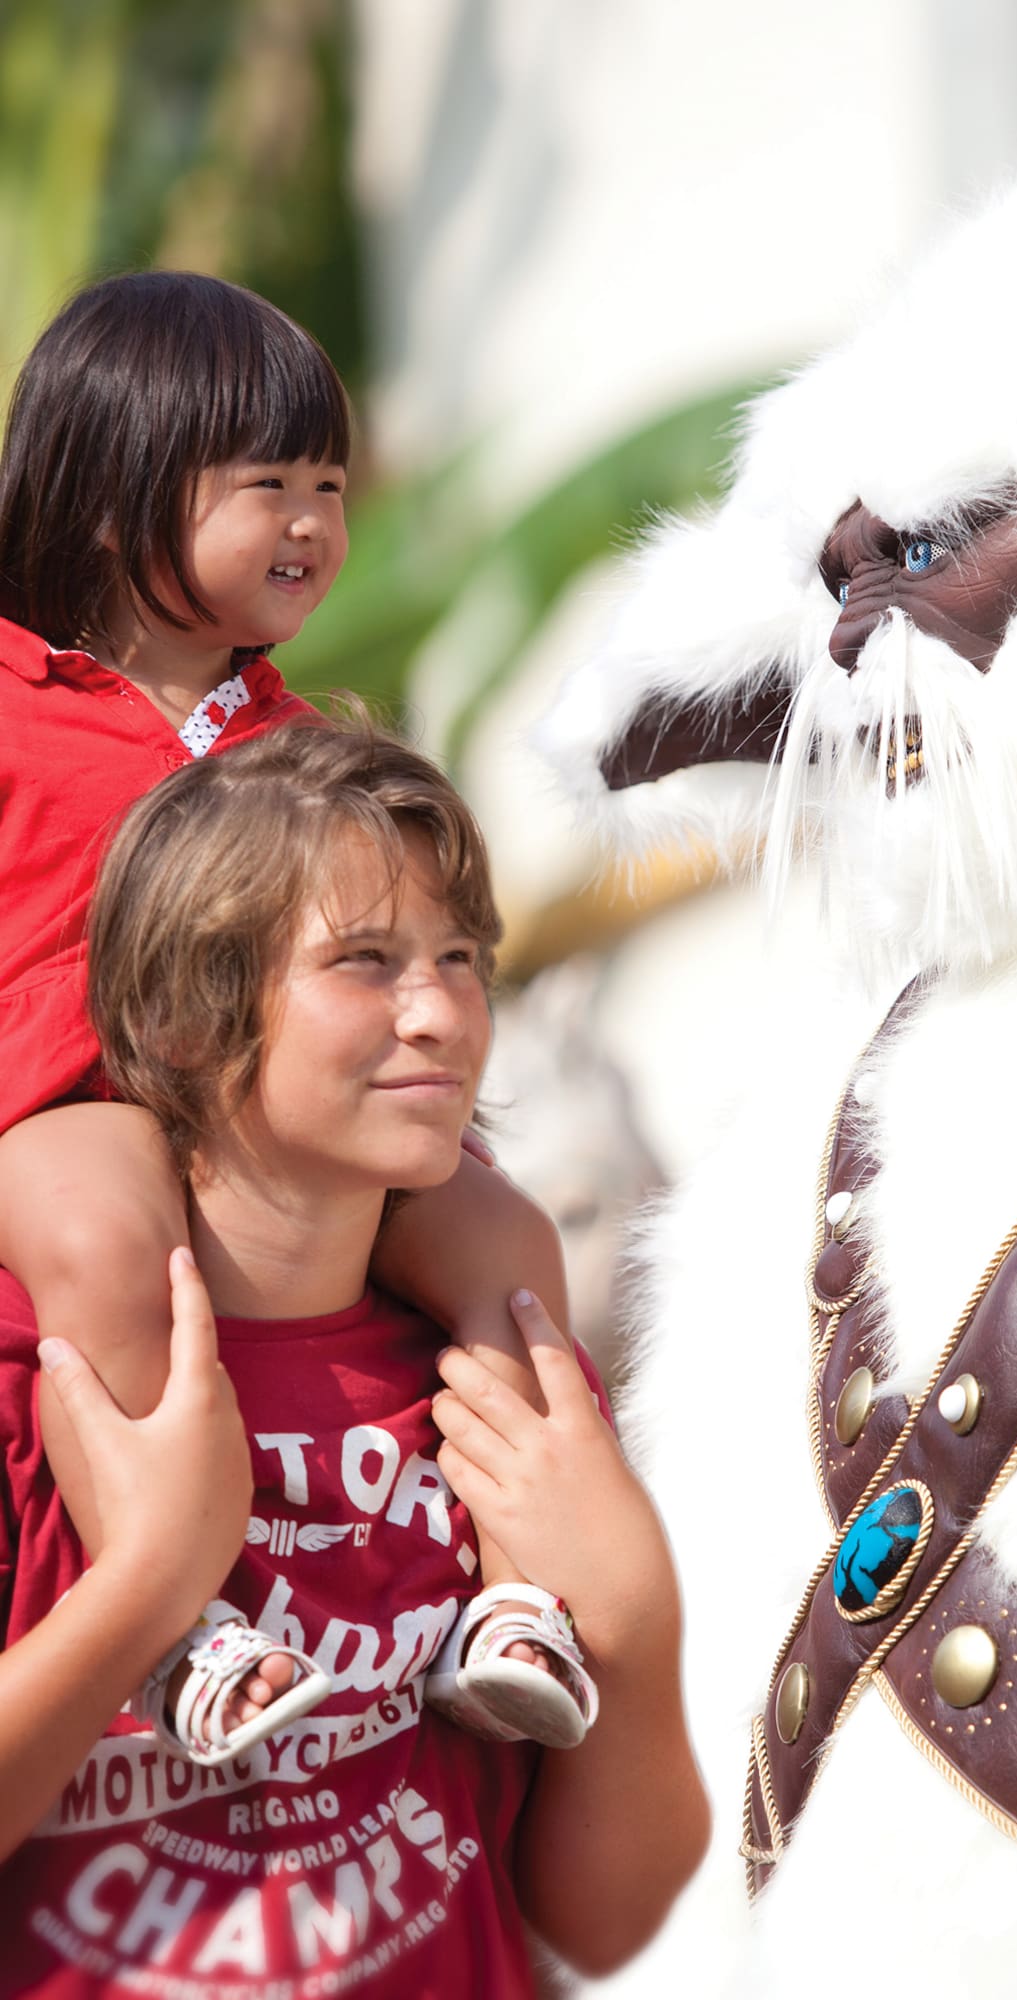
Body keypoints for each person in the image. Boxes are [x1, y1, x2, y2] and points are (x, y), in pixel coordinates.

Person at [0, 719, 709, 1993]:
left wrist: (636, 1623)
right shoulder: (32, 1378)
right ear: (175, 1021)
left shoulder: (490, 1378)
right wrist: (149, 1581)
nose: (440, 1011)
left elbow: (605, 1919)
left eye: (457, 956)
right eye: (364, 962)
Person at [0, 270, 597, 1758]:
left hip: (277, 1105)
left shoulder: (300, 741)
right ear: (104, 499)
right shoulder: (10, 708)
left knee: (506, 1240)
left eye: (328, 483)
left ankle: (519, 1597)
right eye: (265, 485)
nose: (314, 523)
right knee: (96, 1235)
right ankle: (177, 1617)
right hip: (69, 1098)